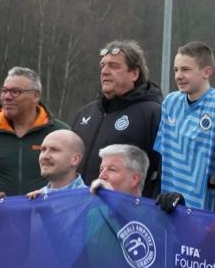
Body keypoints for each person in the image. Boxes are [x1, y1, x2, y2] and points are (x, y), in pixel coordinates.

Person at [68, 40, 162, 196]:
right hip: (80, 210)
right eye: (102, 66)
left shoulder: (152, 113)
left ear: (134, 74)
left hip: (125, 214)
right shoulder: (85, 114)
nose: (104, 71)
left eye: (113, 66)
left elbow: (162, 171)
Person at [156, 41, 215, 211]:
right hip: (169, 205)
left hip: (203, 209)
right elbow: (160, 153)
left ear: (206, 72)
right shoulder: (170, 102)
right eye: (176, 70)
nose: (178, 75)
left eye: (186, 69)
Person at [0, 66, 69, 196]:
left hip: (47, 214)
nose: (7, 97)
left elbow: (71, 179)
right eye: (4, 91)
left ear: (36, 95)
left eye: (15, 92)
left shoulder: (60, 133)